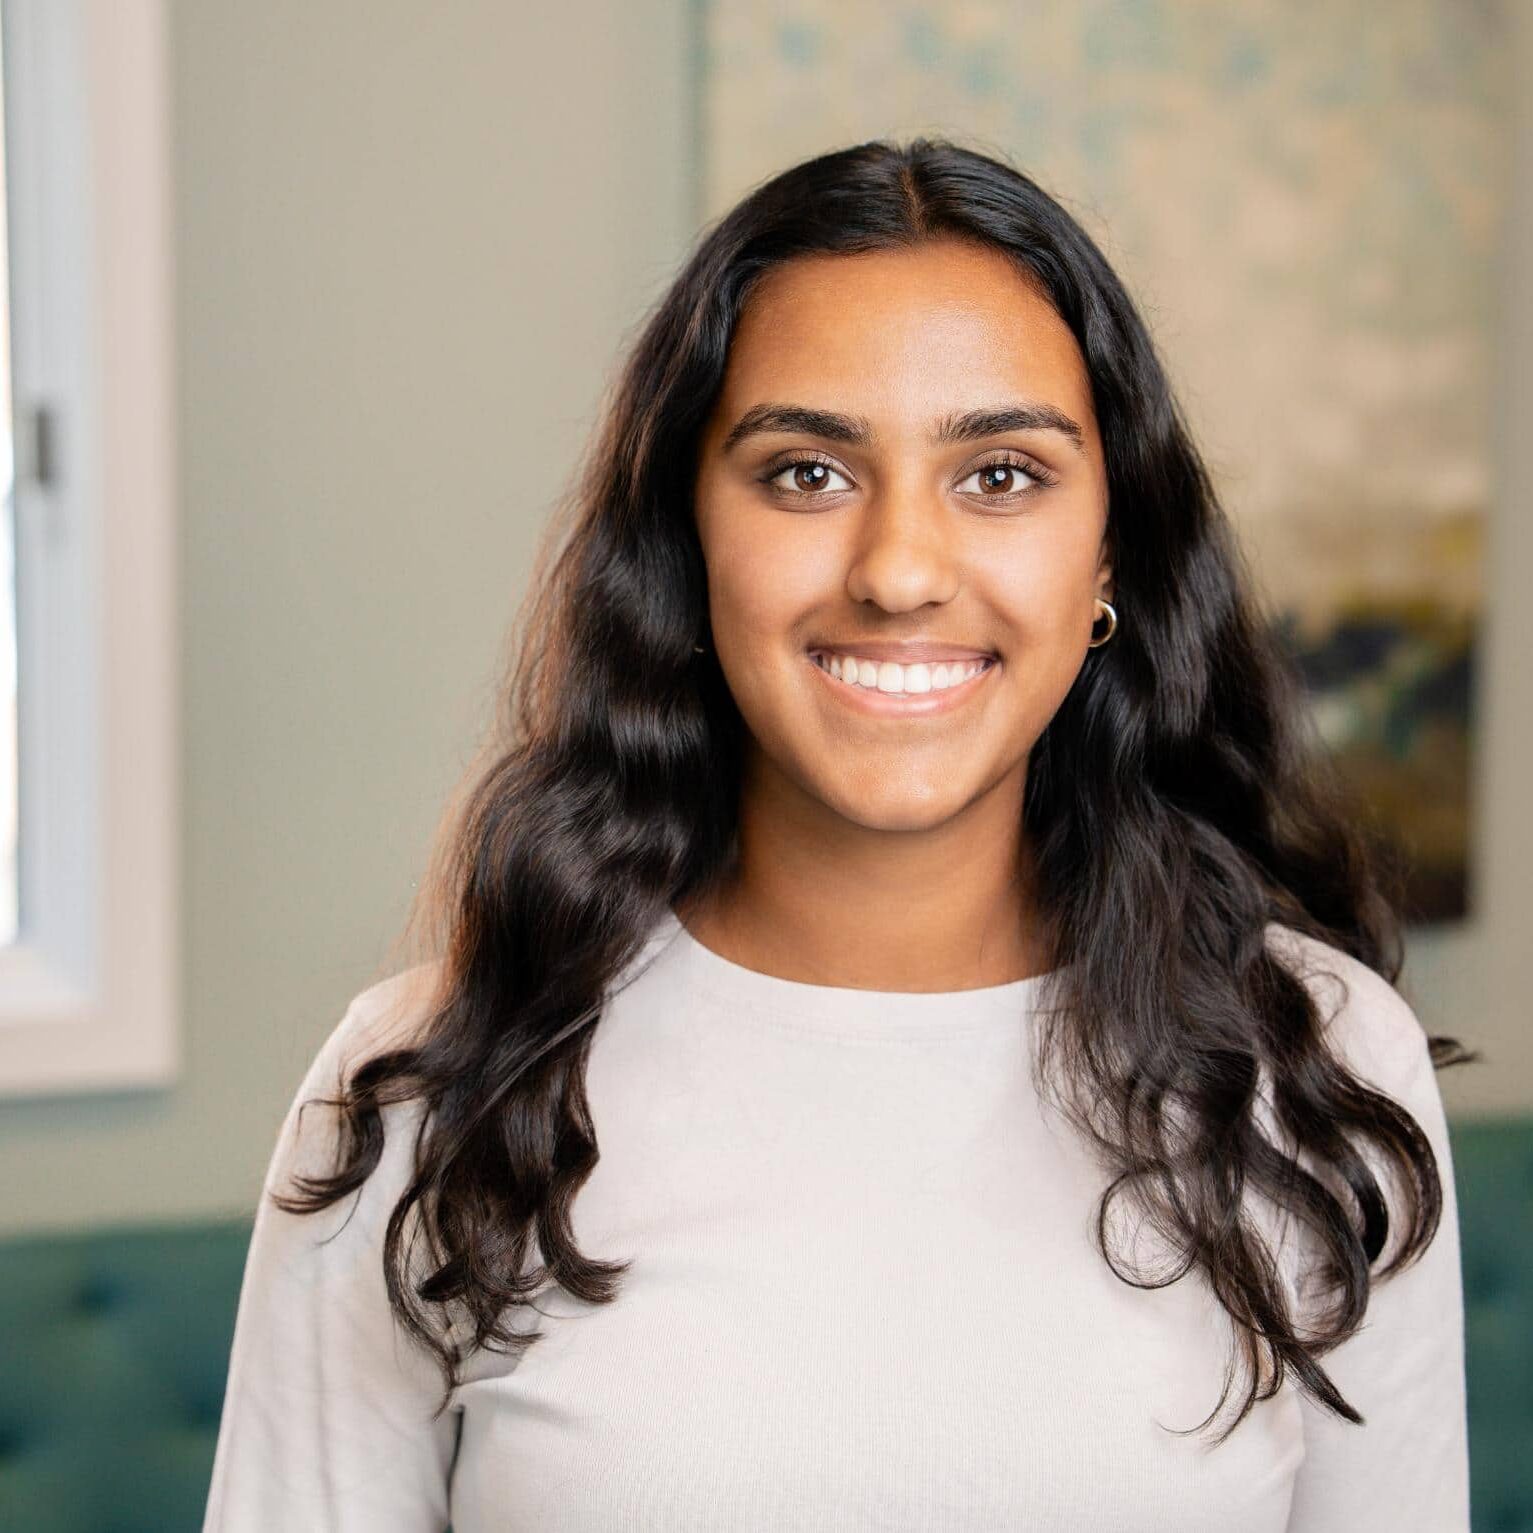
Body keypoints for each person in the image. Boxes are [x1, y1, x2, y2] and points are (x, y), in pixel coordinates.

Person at [202, 138, 1475, 1532]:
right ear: (689, 540)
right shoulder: (427, 1091)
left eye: (999, 474)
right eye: (806, 472)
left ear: (1109, 551)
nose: (899, 571)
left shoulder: (1316, 1065)